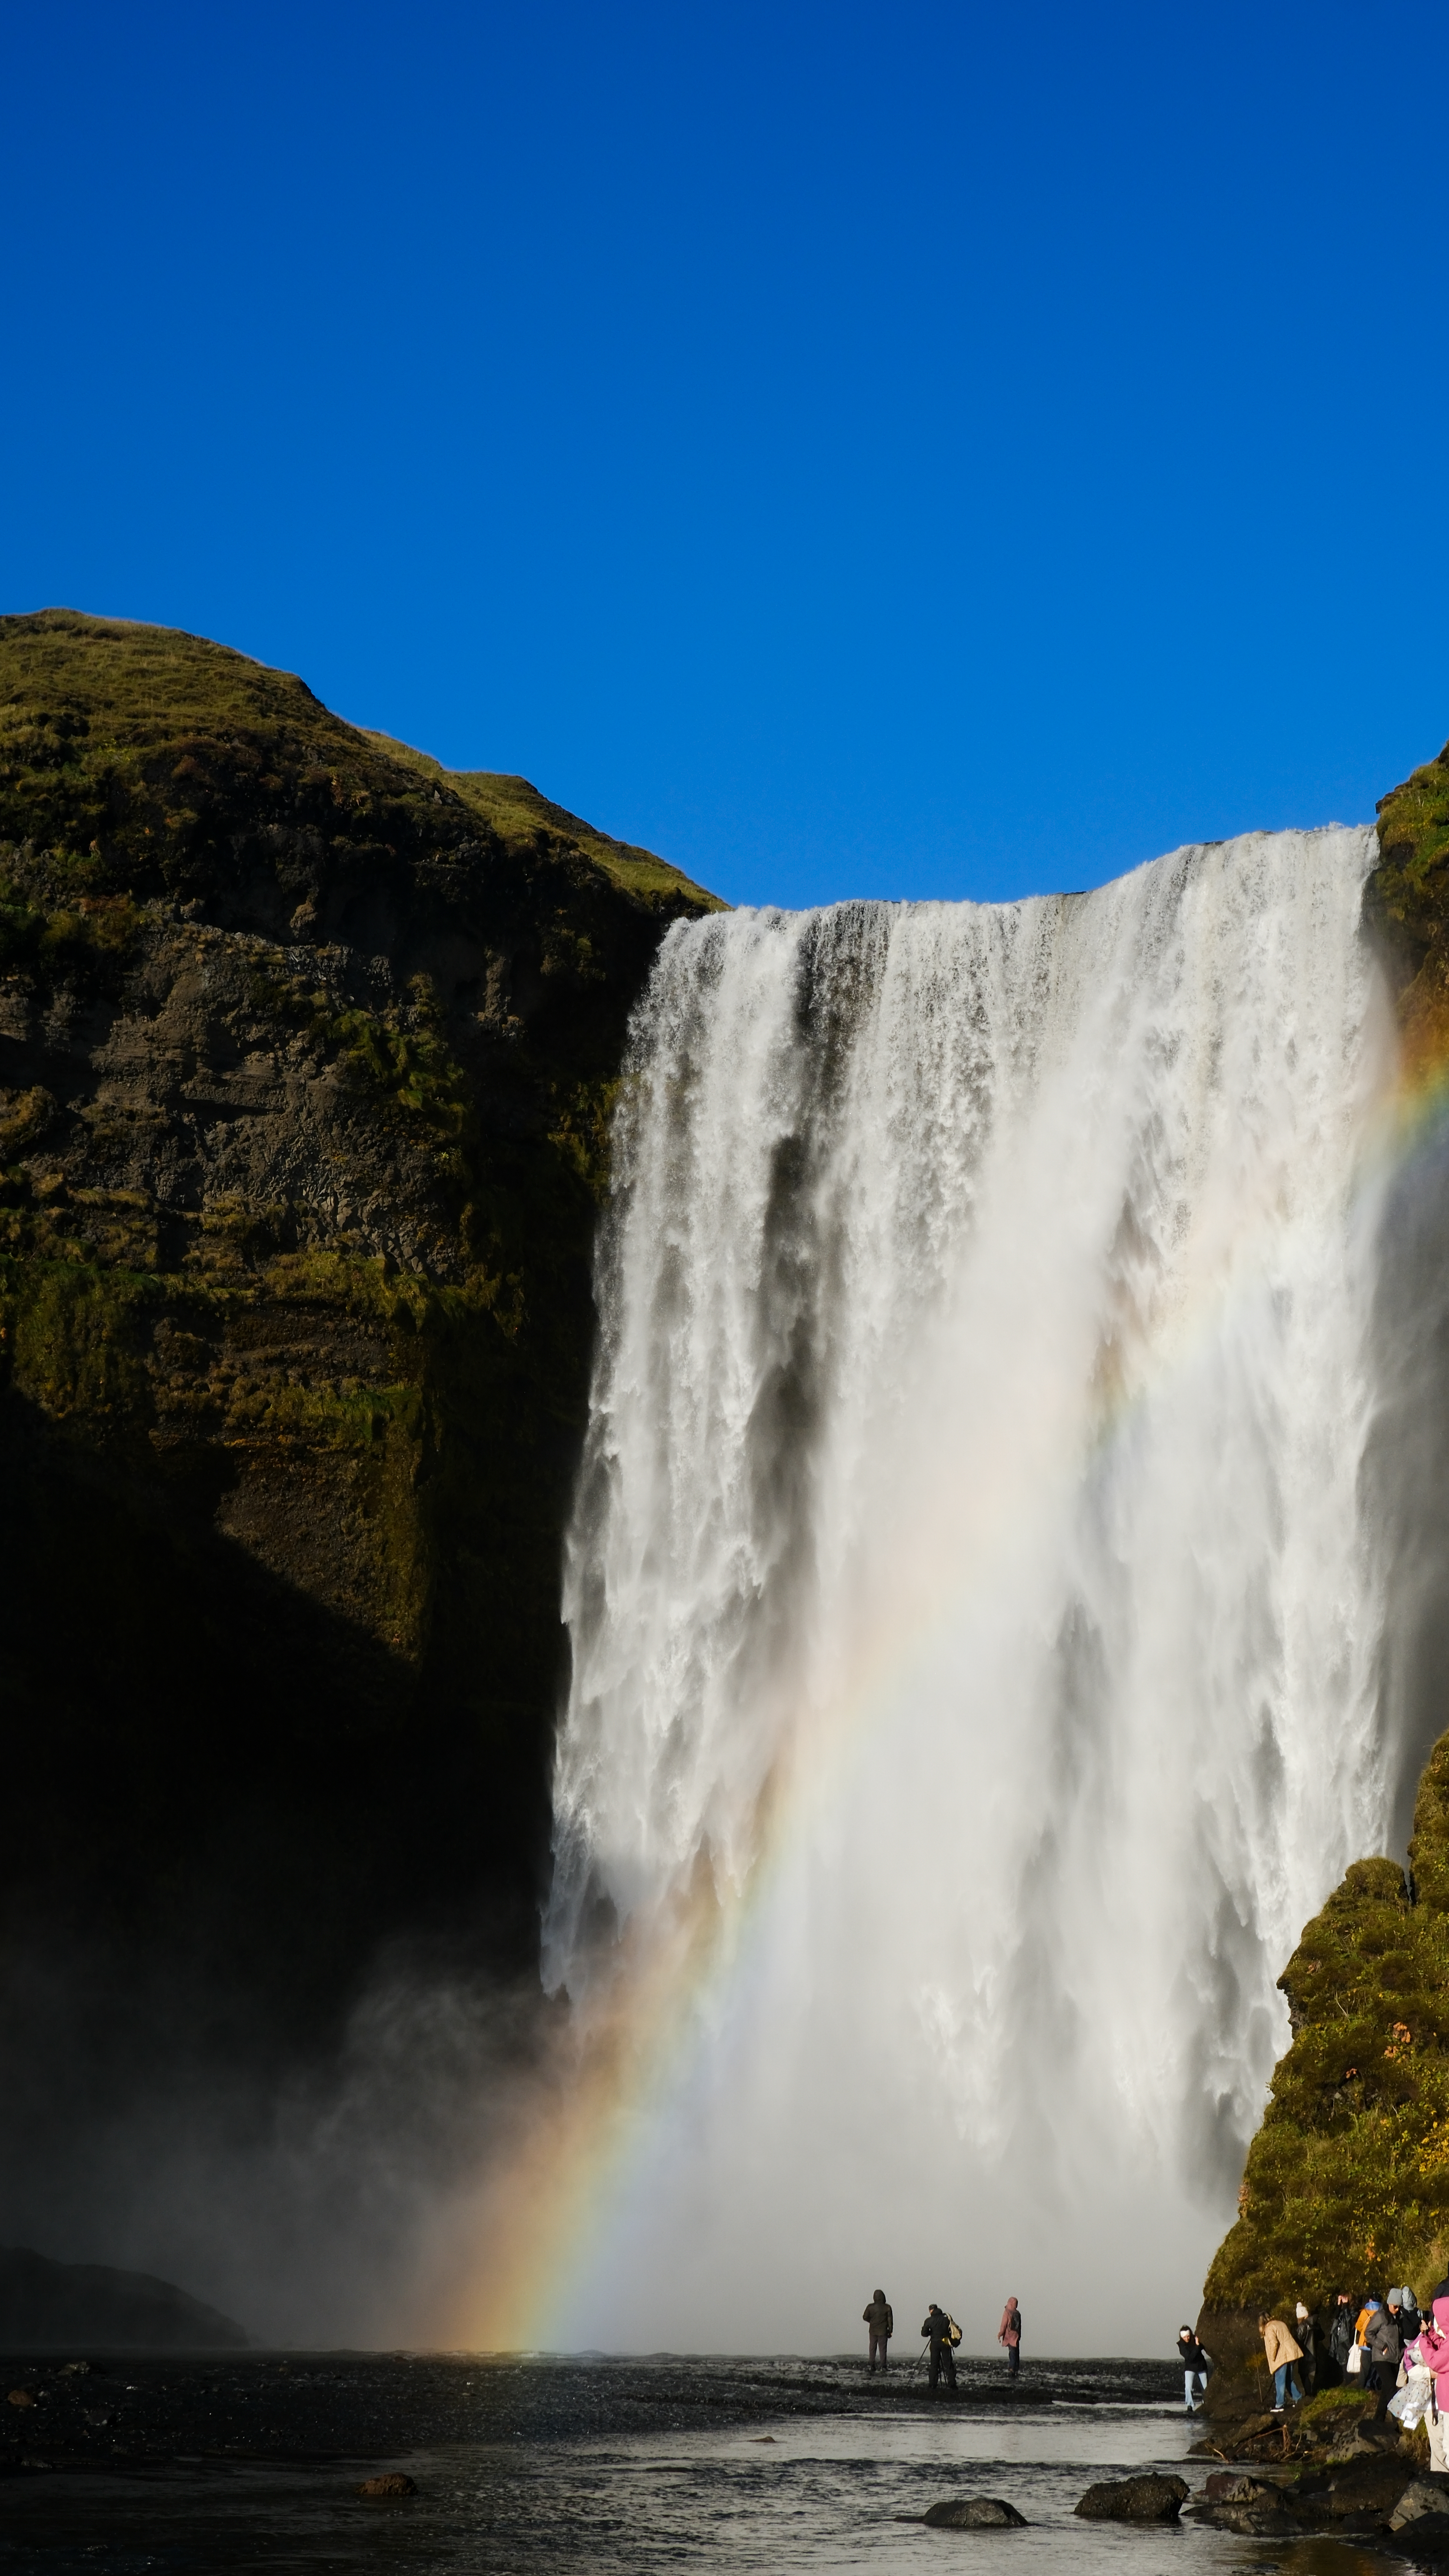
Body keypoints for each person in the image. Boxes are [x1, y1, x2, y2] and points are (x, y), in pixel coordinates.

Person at [1366, 2295, 1404, 2421]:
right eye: (1396, 2306)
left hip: (1394, 2358)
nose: (1398, 2309)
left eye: (1400, 2306)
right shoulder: (1380, 2316)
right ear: (1389, 2303)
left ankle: (1378, 2418)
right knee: (1392, 2387)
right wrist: (1382, 2346)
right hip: (1380, 2358)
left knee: (1386, 2389)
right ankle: (1397, 2420)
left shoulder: (1398, 2317)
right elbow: (1368, 2333)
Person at [1258, 2312, 1305, 2413]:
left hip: (1281, 2357)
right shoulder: (1280, 2323)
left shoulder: (1269, 2328)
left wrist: (1272, 2357)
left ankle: (1280, 2405)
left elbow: (1274, 2343)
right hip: (1290, 2354)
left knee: (1280, 2381)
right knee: (1289, 2380)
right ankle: (1299, 2399)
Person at [921, 2302, 958, 2393]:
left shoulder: (929, 2320)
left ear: (931, 2310)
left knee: (934, 2364)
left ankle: (933, 2384)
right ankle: (952, 2384)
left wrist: (932, 2333)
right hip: (946, 2342)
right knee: (948, 2364)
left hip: (935, 2343)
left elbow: (924, 2333)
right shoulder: (946, 2318)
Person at [1177, 2325, 1212, 2413]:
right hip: (1190, 2368)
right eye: (1184, 2337)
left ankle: (1206, 2404)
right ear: (1182, 2337)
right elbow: (1190, 2357)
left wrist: (1198, 2345)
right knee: (1188, 2388)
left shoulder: (1196, 2339)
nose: (1187, 2339)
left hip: (1201, 2366)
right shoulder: (1181, 2345)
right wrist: (1197, 2346)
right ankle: (1190, 2405)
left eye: (1188, 2336)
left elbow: (1206, 2346)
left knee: (1205, 2388)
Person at [1326, 2292, 1356, 2385]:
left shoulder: (1354, 2312)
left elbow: (1348, 2324)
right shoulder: (1342, 2312)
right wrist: (1339, 2306)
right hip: (1339, 2343)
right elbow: (1336, 2320)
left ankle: (1351, 2385)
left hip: (1346, 2343)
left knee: (1347, 2366)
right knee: (1343, 2366)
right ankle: (1349, 2384)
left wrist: (1346, 2307)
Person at [863, 2289, 893, 2372]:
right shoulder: (887, 2307)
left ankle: (872, 2366)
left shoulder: (870, 2307)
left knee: (872, 2348)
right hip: (883, 2331)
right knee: (883, 2349)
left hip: (873, 2330)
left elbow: (865, 2317)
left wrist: (872, 2322)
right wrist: (890, 2331)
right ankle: (883, 2366)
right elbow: (890, 2320)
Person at [1294, 2302, 1317, 2393]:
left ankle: (1309, 2395)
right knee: (1314, 2375)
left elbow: (1299, 2340)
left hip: (1306, 2353)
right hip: (1315, 2352)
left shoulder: (1302, 2326)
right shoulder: (1315, 2323)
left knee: (1304, 2375)